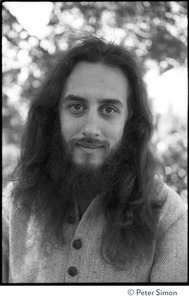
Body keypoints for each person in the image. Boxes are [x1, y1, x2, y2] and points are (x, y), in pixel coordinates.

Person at [2, 35, 187, 283]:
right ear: (54, 115)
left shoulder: (167, 215)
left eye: (108, 109)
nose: (91, 128)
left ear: (129, 121)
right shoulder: (15, 205)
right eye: (76, 106)